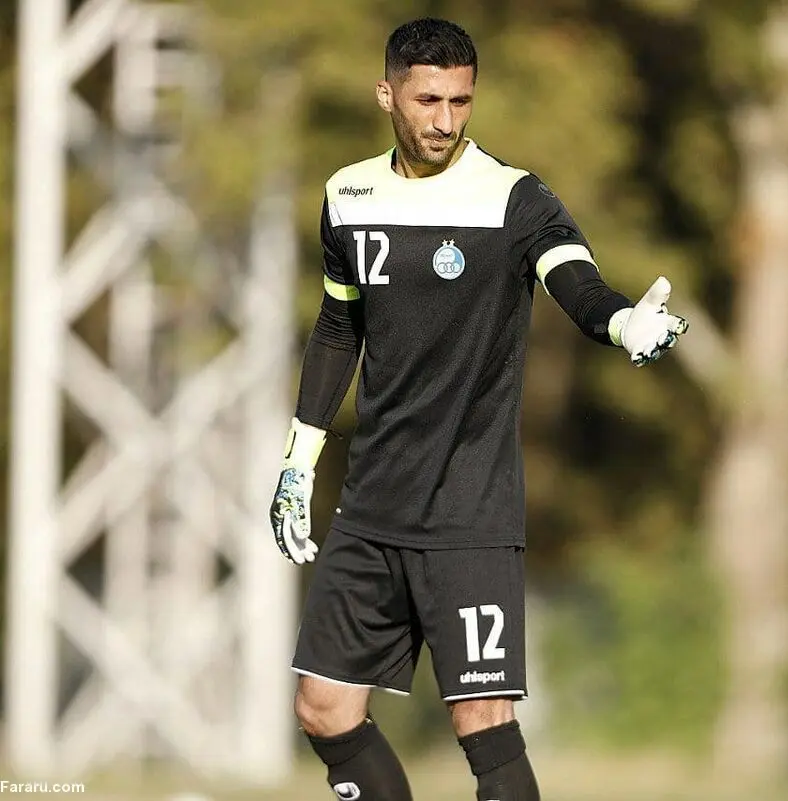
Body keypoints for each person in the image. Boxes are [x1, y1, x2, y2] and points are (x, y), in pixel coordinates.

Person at [269, 17, 688, 801]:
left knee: (483, 720)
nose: (445, 120)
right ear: (387, 94)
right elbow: (337, 329)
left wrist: (623, 322)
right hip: (371, 507)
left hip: (470, 511)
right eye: (428, 100)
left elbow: (576, 281)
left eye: (460, 101)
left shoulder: (514, 199)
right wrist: (299, 463)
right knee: (322, 708)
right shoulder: (346, 195)